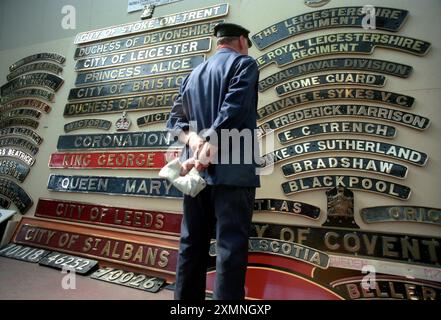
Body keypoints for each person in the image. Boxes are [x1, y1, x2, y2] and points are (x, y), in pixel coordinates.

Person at [166, 22, 260, 300]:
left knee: (191, 243)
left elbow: (173, 122)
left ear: (220, 42)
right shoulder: (245, 64)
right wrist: (207, 145)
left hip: (195, 173)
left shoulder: (192, 75)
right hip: (234, 170)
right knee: (229, 249)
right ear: (242, 41)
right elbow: (234, 109)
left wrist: (195, 143)